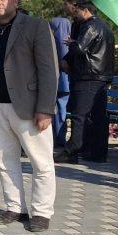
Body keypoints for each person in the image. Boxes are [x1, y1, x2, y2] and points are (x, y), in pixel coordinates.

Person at [0, 0, 58, 232]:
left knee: (40, 162)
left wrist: (45, 108)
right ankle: (14, 207)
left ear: (15, 1)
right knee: (4, 160)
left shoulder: (35, 26)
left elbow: (49, 70)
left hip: (28, 107)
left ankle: (41, 212)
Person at [55, 0, 114, 164]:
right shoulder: (103, 26)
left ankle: (71, 152)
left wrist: (71, 44)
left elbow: (80, 48)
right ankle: (97, 152)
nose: (74, 15)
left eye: (76, 11)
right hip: (100, 77)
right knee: (97, 116)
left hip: (88, 76)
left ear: (84, 10)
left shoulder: (91, 26)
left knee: (79, 115)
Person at [49, 17, 72, 148]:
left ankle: (56, 138)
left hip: (56, 79)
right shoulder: (66, 34)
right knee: (61, 107)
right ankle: (59, 138)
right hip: (63, 79)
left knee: (58, 107)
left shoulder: (51, 36)